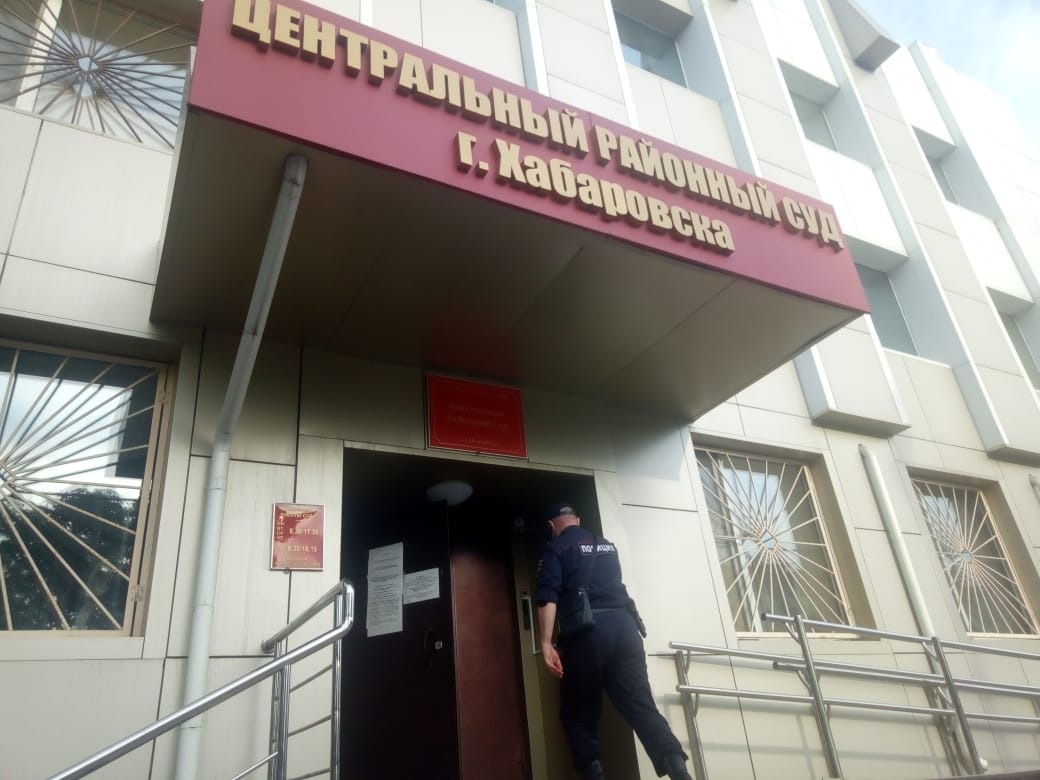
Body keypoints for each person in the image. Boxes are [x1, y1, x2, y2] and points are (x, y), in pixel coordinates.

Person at [535, 501, 694, 780]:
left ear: (551, 526)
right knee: (641, 706)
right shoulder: (606, 545)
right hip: (625, 629)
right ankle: (679, 770)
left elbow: (547, 596)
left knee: (578, 714)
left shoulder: (556, 549)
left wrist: (546, 644)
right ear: (578, 520)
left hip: (588, 634)